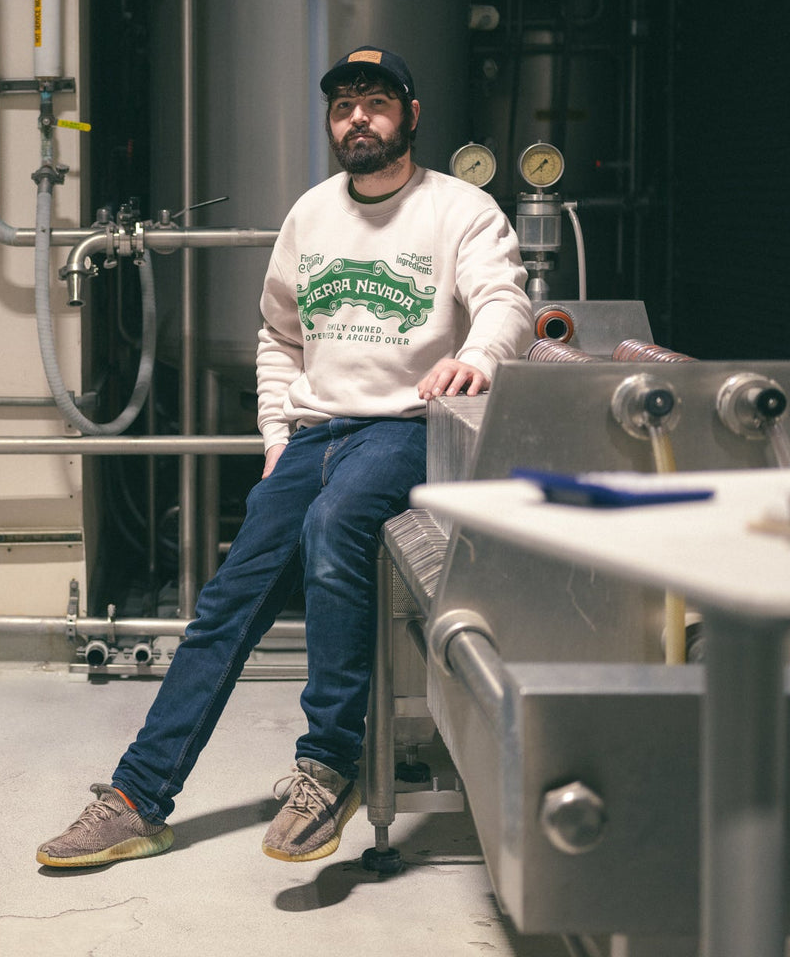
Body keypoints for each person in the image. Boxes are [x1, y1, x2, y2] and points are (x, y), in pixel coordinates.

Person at [37, 46, 532, 868]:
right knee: (227, 602)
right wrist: (276, 437)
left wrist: (478, 356)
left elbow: (505, 300)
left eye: (375, 103)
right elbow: (278, 336)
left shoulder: (461, 210)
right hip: (313, 435)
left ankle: (327, 765)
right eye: (343, 107)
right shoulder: (310, 215)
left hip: (403, 429)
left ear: (410, 115)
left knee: (335, 531)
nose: (357, 119)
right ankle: (136, 798)